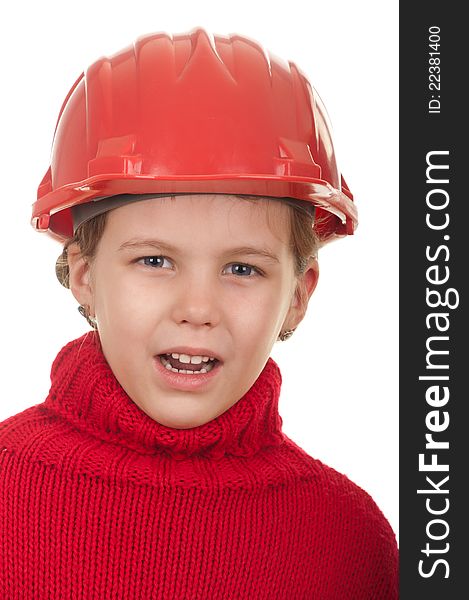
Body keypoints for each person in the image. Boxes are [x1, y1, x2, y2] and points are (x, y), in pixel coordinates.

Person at [0, 27, 398, 598]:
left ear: (299, 294)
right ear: (84, 274)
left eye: (242, 269)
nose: (197, 308)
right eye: (155, 260)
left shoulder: (350, 542)